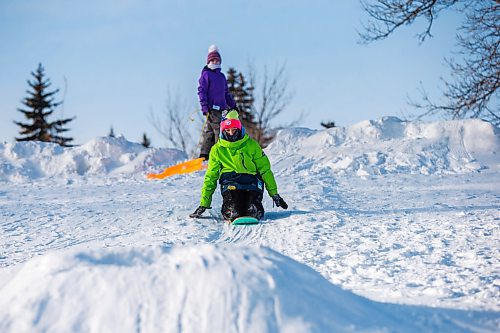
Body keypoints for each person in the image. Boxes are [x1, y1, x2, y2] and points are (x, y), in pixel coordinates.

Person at [190, 111, 288, 221]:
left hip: (251, 182)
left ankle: (253, 208)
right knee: (233, 210)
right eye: (227, 130)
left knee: (252, 209)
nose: (231, 133)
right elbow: (211, 176)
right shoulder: (217, 150)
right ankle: (232, 210)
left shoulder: (251, 145)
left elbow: (265, 170)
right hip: (230, 182)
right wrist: (204, 203)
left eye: (234, 130)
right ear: (223, 131)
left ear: (239, 129)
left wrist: (274, 194)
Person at [197, 44, 237, 160]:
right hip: (212, 108)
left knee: (209, 131)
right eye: (213, 59)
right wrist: (204, 106)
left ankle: (204, 155)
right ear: (209, 61)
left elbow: (226, 93)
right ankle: (217, 154)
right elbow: (202, 91)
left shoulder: (221, 76)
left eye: (217, 59)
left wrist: (233, 105)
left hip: (222, 109)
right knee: (218, 130)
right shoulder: (206, 75)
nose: (215, 61)